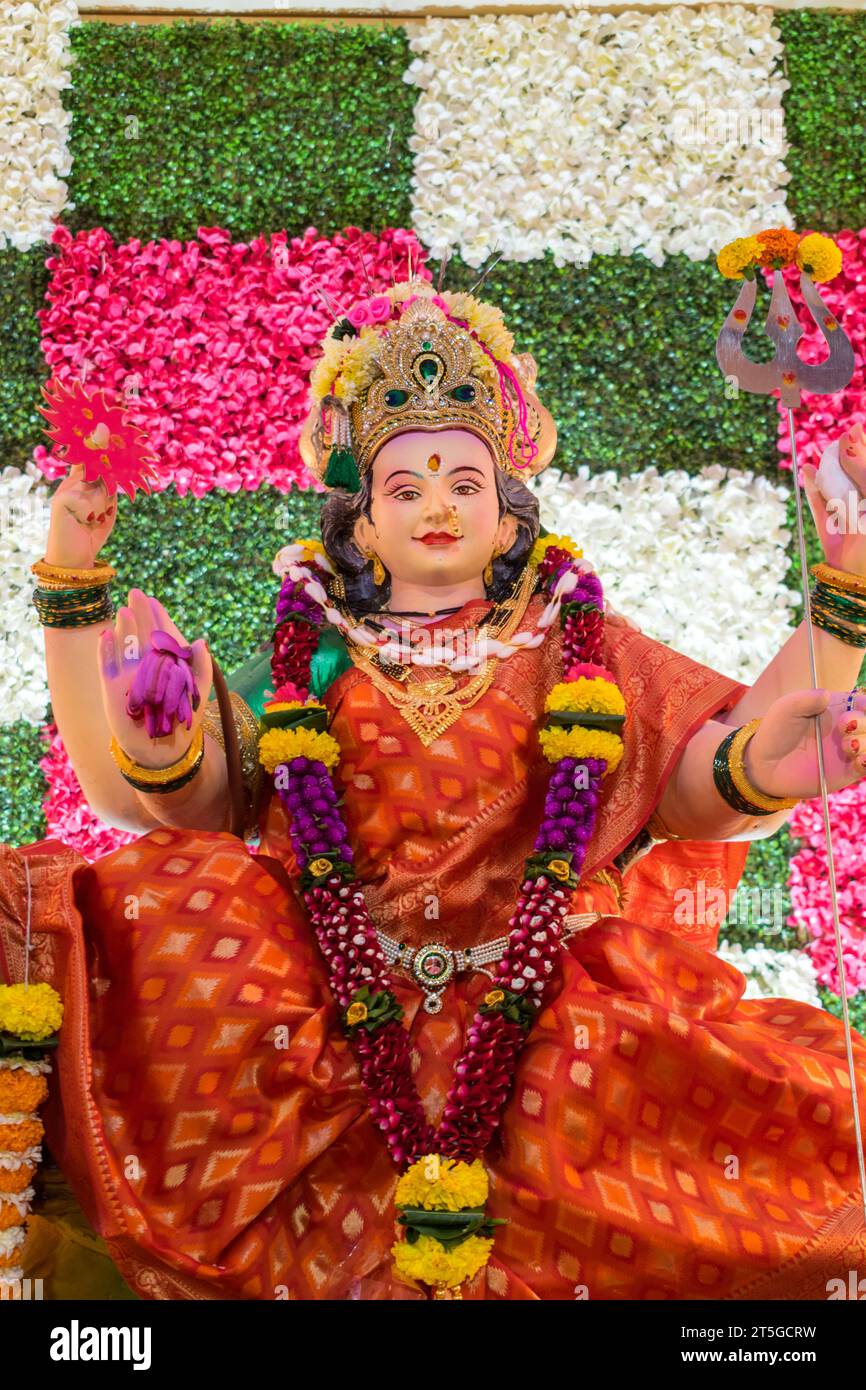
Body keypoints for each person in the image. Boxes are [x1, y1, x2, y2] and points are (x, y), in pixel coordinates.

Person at [4, 275, 866, 1301]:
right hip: (315, 1004)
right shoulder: (312, 657)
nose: (438, 508)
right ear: (359, 526)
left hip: (537, 1003)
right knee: (161, 909)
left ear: (509, 517)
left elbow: (688, 780)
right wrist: (153, 720)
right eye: (403, 489)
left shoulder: (576, 645)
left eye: (464, 482)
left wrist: (777, 757)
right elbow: (193, 803)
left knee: (771, 1131)